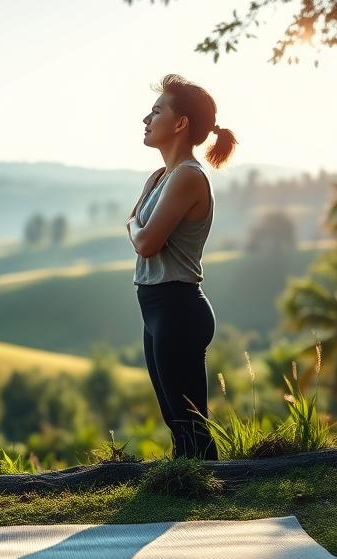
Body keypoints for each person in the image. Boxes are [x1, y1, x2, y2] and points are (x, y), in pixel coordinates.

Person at [126, 73, 238, 460]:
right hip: (156, 308)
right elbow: (139, 229)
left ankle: (210, 510)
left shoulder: (188, 177)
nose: (146, 119)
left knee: (191, 428)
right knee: (177, 424)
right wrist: (135, 226)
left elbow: (144, 241)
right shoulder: (161, 177)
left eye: (156, 111)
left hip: (178, 308)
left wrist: (132, 225)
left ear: (180, 123)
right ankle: (186, 498)